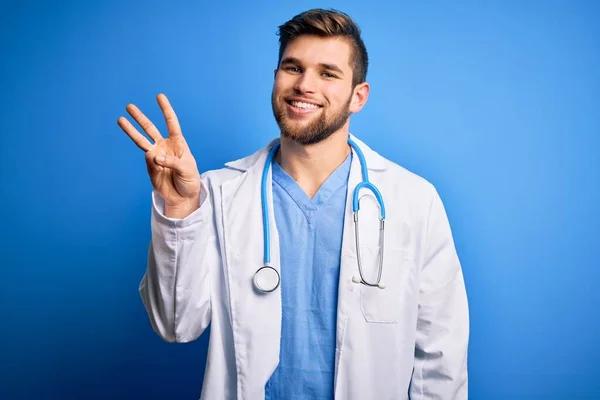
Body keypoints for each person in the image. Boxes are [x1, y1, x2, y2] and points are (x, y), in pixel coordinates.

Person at [118, 8, 469, 400]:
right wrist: (179, 207)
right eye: (293, 67)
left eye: (328, 73)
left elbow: (441, 356)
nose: (305, 85)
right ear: (275, 78)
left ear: (358, 96)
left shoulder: (413, 200)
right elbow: (175, 324)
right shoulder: (216, 194)